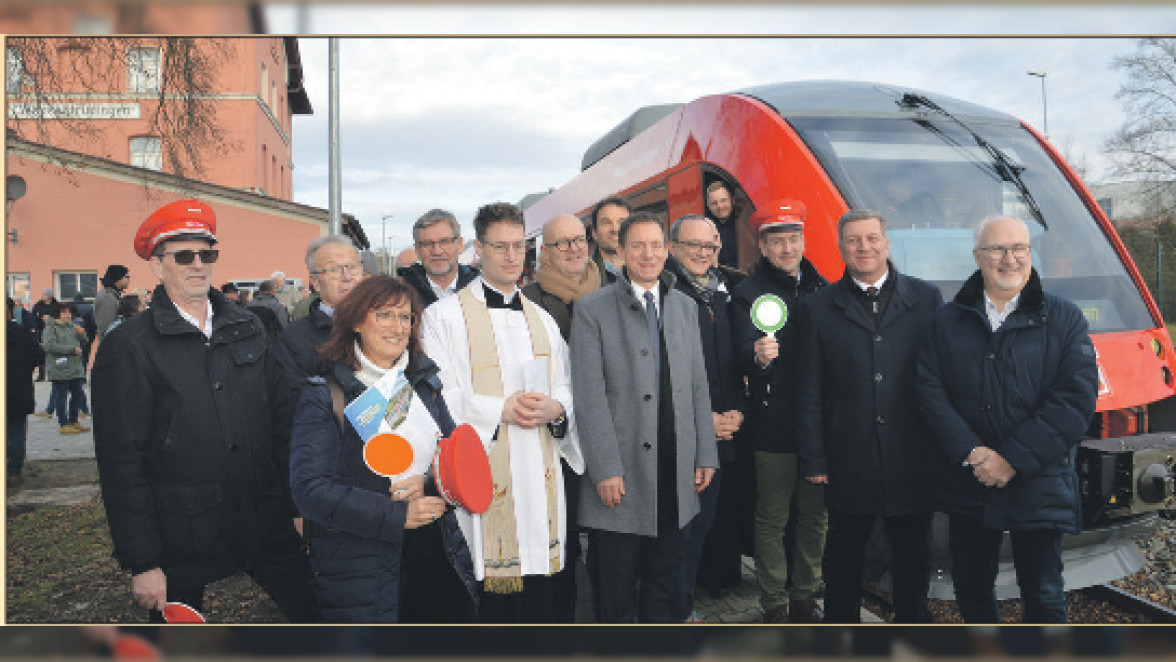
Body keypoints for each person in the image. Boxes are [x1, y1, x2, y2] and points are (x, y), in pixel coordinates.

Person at [91, 199, 318, 623]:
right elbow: (122, 461)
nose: (198, 264)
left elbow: (283, 425)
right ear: (158, 267)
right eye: (183, 255)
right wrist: (143, 562)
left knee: (317, 616)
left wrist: (298, 507)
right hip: (182, 532)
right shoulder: (130, 346)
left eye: (206, 253)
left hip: (263, 519)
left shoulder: (247, 326)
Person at [916, 216, 1098, 623]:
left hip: (1039, 479)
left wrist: (1010, 459)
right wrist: (974, 452)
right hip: (970, 480)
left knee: (1045, 591)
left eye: (1019, 248)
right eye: (997, 249)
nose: (1009, 258)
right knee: (972, 589)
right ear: (978, 257)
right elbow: (930, 394)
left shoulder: (1065, 319)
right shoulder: (947, 321)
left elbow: (1075, 398)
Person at [421, 201, 582, 623]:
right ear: (478, 249)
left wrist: (556, 406)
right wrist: (498, 410)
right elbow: (437, 394)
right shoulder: (443, 318)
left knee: (542, 600)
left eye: (518, 247)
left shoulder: (543, 319)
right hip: (485, 474)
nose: (513, 257)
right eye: (500, 247)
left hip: (541, 467)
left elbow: (566, 383)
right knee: (492, 604)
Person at [290, 276, 478, 623]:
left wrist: (431, 483)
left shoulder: (424, 385)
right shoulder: (326, 395)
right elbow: (311, 490)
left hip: (437, 552)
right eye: (384, 315)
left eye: (405, 317)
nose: (397, 327)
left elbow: (459, 462)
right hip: (362, 565)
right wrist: (396, 515)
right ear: (357, 322)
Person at [795, 208, 943, 623]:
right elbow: (808, 390)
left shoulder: (927, 299)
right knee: (844, 555)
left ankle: (912, 624)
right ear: (841, 247)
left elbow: (939, 379)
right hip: (847, 456)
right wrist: (814, 458)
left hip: (911, 456)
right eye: (854, 240)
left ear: (887, 243)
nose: (864, 247)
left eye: (872, 238)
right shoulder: (818, 307)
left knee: (914, 553)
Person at [570, 211, 719, 623]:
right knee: (615, 590)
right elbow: (589, 395)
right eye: (637, 245)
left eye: (656, 245)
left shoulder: (686, 308)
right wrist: (604, 468)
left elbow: (697, 386)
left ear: (668, 251)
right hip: (621, 474)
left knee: (665, 585)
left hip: (675, 470)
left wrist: (706, 452)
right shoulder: (592, 311)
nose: (648, 254)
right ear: (621, 251)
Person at [729, 199, 830, 624]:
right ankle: (774, 601)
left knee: (815, 516)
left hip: (820, 425)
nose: (787, 248)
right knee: (771, 518)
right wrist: (756, 355)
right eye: (777, 241)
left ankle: (806, 595)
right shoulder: (746, 294)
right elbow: (735, 355)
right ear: (762, 245)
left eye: (793, 239)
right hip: (773, 425)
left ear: (803, 241)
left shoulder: (823, 288)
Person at [520, 212, 602, 621]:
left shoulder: (610, 289)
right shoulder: (528, 302)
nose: (573, 248)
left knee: (608, 541)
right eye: (561, 243)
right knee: (562, 538)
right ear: (545, 253)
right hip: (556, 438)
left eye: (578, 239)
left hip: (606, 433)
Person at [664, 214, 745, 623]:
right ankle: (675, 612)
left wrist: (735, 412)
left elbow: (729, 363)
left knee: (702, 525)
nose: (703, 254)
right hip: (682, 435)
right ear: (673, 248)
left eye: (710, 247)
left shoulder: (722, 293)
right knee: (680, 530)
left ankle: (684, 605)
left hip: (719, 434)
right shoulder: (665, 293)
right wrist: (702, 421)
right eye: (693, 245)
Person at [274, 235, 365, 385]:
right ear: (315, 282)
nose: (347, 277)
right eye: (334, 269)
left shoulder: (386, 322)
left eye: (353, 267)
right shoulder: (293, 339)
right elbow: (292, 400)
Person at [398, 209, 480, 307]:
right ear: (417, 250)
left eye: (445, 242)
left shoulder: (482, 288)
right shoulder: (402, 293)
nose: (437, 251)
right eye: (427, 244)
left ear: (460, 245)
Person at [8, 297, 45, 484]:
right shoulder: (22, 333)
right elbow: (38, 356)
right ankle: (14, 471)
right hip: (18, 389)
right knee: (16, 431)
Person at [42, 301, 90, 435]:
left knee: (77, 396)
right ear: (58, 314)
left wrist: (82, 334)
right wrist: (71, 350)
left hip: (75, 368)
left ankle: (74, 420)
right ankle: (63, 423)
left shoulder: (73, 326)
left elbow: (84, 343)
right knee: (61, 397)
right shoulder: (50, 328)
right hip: (60, 368)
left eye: (69, 312)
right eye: (64, 312)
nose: (68, 315)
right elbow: (50, 346)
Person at [589, 196, 630, 284]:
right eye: (606, 222)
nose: (615, 229)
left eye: (622, 222)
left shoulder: (654, 269)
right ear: (594, 232)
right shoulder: (581, 277)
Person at [705, 181, 740, 270]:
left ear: (732, 200)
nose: (720, 206)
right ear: (708, 206)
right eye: (714, 203)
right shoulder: (705, 229)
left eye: (723, 200)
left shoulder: (744, 224)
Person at [94, 264, 130, 341]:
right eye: (127, 277)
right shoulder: (107, 298)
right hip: (111, 345)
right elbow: (107, 327)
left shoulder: (113, 295)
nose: (129, 280)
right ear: (118, 278)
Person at [31, 287, 56, 381]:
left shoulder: (56, 305)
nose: (42, 296)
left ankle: (52, 373)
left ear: (49, 296)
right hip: (40, 330)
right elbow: (33, 316)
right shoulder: (38, 305)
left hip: (53, 332)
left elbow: (58, 317)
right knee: (41, 352)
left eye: (44, 294)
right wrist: (40, 318)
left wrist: (50, 319)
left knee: (52, 352)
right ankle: (41, 374)